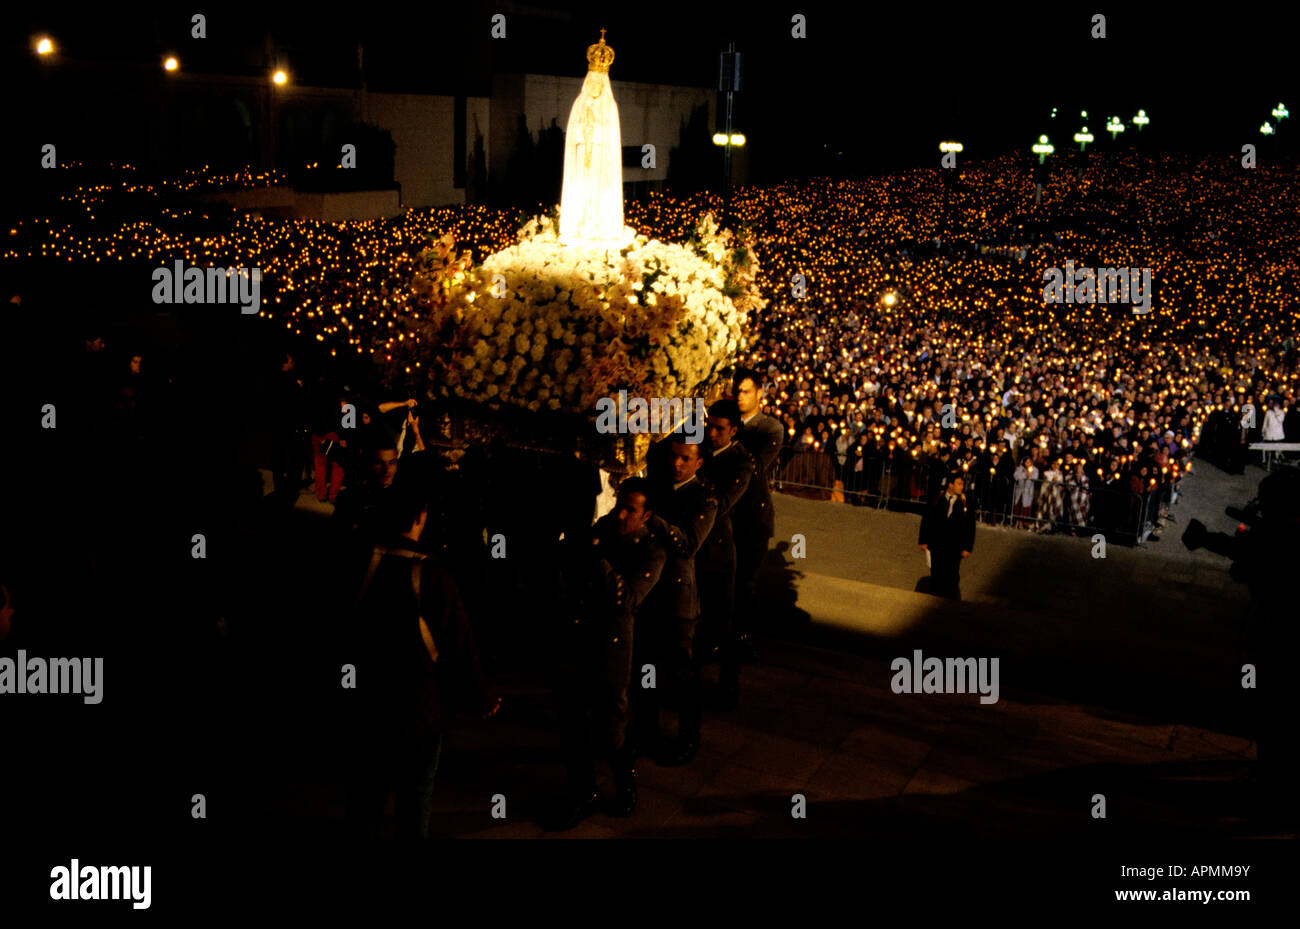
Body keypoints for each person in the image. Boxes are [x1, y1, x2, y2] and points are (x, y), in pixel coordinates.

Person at [345, 489, 500, 837]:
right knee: (414, 801)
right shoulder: (433, 577)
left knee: (364, 797)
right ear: (420, 518)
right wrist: (482, 698)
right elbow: (460, 645)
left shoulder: (358, 563)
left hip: (365, 703)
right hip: (417, 710)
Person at [553, 478, 665, 829]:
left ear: (645, 514)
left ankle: (624, 783)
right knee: (576, 714)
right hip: (583, 629)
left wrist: (598, 560)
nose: (620, 515)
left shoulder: (651, 550)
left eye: (630, 510)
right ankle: (582, 791)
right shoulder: (603, 528)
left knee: (613, 717)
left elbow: (628, 599)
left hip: (616, 640)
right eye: (619, 505)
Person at [641, 434, 718, 766]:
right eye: (674, 456)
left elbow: (687, 544)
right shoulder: (656, 488)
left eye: (685, 459)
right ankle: (645, 732)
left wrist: (652, 519)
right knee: (645, 668)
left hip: (677, 599)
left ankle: (689, 735)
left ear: (698, 463)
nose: (677, 464)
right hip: (648, 593)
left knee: (681, 673)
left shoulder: (704, 499)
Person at [698, 399, 755, 710]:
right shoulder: (702, 451)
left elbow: (721, 502)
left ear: (733, 431)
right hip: (700, 546)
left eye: (719, 429)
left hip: (721, 548)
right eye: (709, 425)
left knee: (724, 618)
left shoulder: (741, 462)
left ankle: (727, 685)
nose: (712, 433)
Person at [733, 368, 783, 661]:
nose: (740, 397)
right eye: (737, 392)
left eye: (747, 392)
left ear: (760, 394)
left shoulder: (770, 428)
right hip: (728, 513)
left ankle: (743, 636)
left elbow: (755, 465)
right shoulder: (727, 423)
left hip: (753, 516)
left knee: (746, 581)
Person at [918, 471, 976, 600]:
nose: (961, 487)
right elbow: (927, 519)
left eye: (962, 484)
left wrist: (967, 547)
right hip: (937, 543)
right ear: (950, 485)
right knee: (936, 572)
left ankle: (950, 599)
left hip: (954, 546)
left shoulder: (965, 503)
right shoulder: (938, 499)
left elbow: (970, 527)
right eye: (959, 484)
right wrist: (923, 540)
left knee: (952, 574)